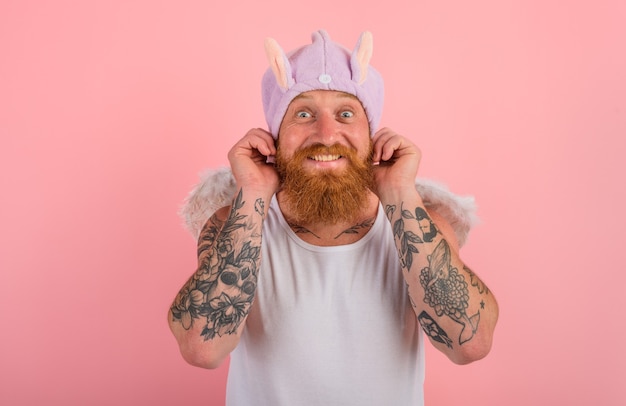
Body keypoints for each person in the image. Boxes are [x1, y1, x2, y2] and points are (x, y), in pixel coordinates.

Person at [168, 30, 498, 405]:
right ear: (274, 136)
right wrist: (253, 192)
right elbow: (202, 350)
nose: (326, 134)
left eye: (346, 114)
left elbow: (469, 345)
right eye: (303, 114)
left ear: (372, 135)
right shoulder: (235, 225)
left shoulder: (419, 225)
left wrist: (401, 194)